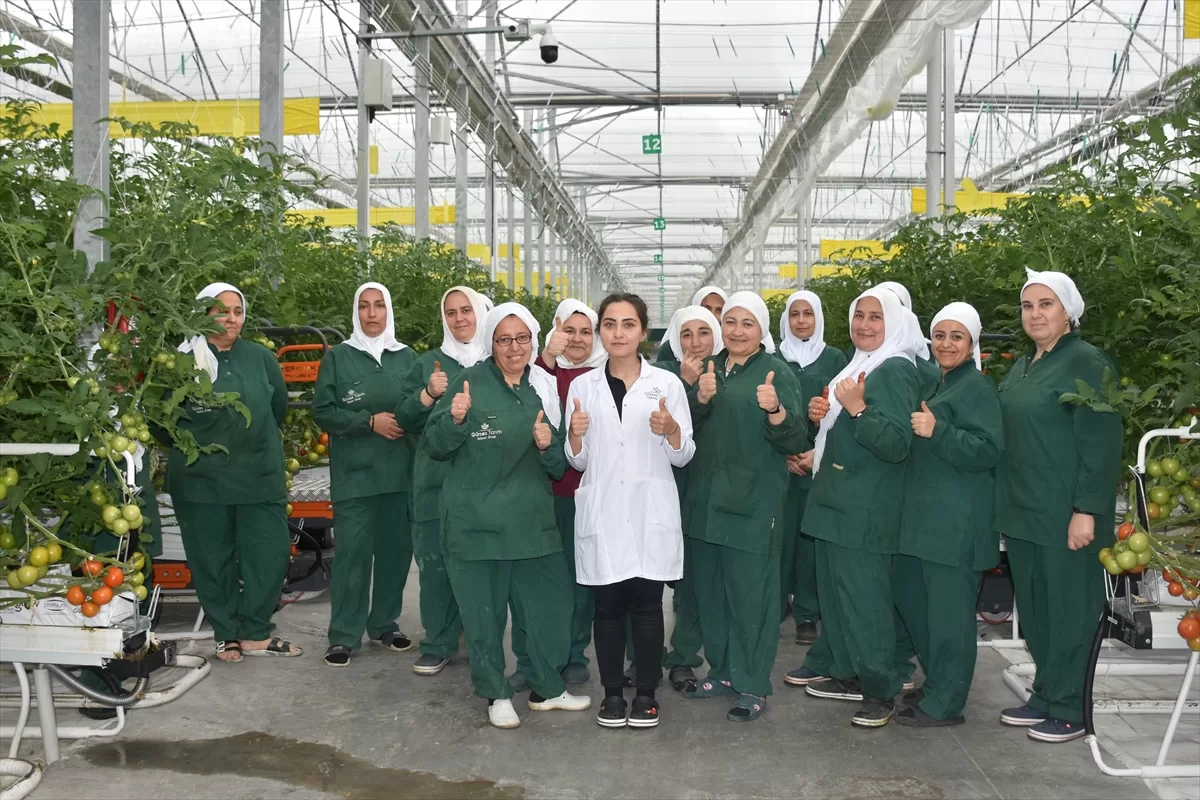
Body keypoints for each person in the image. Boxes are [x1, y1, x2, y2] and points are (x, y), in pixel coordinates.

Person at [424, 302, 591, 729]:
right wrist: (456, 419)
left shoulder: (543, 385)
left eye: (522, 338)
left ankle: (547, 686)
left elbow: (559, 465)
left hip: (533, 520)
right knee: (484, 616)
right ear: (491, 342)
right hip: (476, 523)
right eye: (504, 339)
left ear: (534, 339)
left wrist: (547, 445)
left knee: (550, 606)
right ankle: (495, 693)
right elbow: (435, 445)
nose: (514, 347)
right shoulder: (470, 382)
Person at [995, 269, 1122, 743]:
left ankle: (1072, 707)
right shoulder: (1023, 365)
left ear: (1068, 312)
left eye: (1046, 304)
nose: (1035, 314)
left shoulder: (1086, 362)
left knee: (1070, 609)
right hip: (1025, 511)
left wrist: (1086, 508)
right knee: (1037, 610)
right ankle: (1047, 694)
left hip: (1066, 513)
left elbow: (1101, 442)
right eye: (1028, 306)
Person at [785, 287, 922, 728]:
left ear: (894, 323)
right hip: (836, 500)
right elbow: (842, 429)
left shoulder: (895, 369)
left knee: (864, 602)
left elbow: (896, 443)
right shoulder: (861, 363)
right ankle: (847, 673)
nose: (864, 324)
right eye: (859, 315)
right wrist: (822, 428)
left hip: (864, 507)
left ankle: (879, 690)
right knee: (837, 597)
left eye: (875, 317)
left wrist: (858, 411)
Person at [565, 293, 695, 729]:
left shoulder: (667, 384)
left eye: (628, 324)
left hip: (648, 510)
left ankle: (645, 694)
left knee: (647, 606)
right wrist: (575, 435)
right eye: (609, 324)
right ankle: (612, 695)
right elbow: (577, 461)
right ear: (600, 331)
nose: (618, 333)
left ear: (643, 332)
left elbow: (683, 455)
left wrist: (671, 429)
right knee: (606, 608)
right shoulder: (583, 386)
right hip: (604, 510)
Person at [682, 291, 805, 722]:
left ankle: (752, 684)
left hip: (753, 505)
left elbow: (796, 439)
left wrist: (776, 411)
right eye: (730, 322)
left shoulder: (776, 372)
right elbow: (682, 432)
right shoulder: (710, 369)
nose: (736, 331)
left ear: (762, 329)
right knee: (713, 594)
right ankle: (722, 672)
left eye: (747, 323)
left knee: (752, 598)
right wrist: (698, 398)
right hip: (707, 503)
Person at [167, 282, 300, 662]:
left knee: (270, 554)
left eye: (238, 312)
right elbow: (164, 423)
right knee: (212, 560)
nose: (231, 319)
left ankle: (256, 631)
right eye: (221, 311)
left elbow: (278, 408)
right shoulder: (180, 362)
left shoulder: (261, 358)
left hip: (259, 474)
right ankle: (226, 633)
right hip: (201, 480)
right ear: (201, 314)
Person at [892, 303, 1004, 727]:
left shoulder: (976, 388)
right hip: (926, 520)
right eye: (940, 335)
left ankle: (947, 704)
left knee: (950, 618)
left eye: (957, 336)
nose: (946, 344)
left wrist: (938, 431)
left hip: (956, 523)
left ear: (972, 342)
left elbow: (988, 449)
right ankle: (939, 682)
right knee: (920, 606)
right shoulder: (937, 383)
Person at [313, 282, 417, 667]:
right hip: (355, 478)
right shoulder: (338, 358)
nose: (372, 313)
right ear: (355, 313)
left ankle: (384, 624)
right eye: (364, 306)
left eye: (379, 306)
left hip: (399, 475)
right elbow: (323, 411)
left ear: (389, 311)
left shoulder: (407, 358)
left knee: (395, 554)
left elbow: (420, 407)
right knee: (352, 557)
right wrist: (368, 422)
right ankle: (343, 635)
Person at [509, 298, 607, 689]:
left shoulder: (603, 374)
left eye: (586, 332)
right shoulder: (535, 371)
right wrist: (548, 356)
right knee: (532, 581)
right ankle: (529, 659)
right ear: (554, 328)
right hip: (539, 492)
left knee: (580, 578)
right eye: (569, 330)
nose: (577, 339)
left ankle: (573, 653)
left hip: (585, 493)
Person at [396, 286, 493, 676]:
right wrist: (426, 394)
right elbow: (404, 418)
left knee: (480, 565)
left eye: (466, 310)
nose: (459, 319)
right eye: (451, 312)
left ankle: (482, 638)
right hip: (435, 480)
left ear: (481, 312)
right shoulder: (428, 364)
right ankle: (438, 642)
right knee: (435, 566)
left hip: (484, 482)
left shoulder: (497, 359)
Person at [656, 306, 723, 692]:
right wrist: (685, 384)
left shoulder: (729, 371)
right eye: (686, 334)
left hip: (715, 489)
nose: (695, 342)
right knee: (669, 580)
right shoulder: (661, 375)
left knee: (704, 580)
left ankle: (700, 658)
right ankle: (662, 656)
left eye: (703, 332)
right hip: (674, 485)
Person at [776, 291, 848, 645]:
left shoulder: (834, 358)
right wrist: (785, 454)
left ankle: (807, 612)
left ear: (819, 318)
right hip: (780, 466)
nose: (801, 320)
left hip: (818, 465)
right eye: (795, 314)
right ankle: (774, 604)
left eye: (808, 313)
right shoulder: (774, 358)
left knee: (809, 543)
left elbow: (842, 411)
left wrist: (814, 452)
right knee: (778, 539)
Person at [657, 287, 727, 364]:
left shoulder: (730, 345)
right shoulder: (669, 349)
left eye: (719, 310)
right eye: (706, 309)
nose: (712, 315)